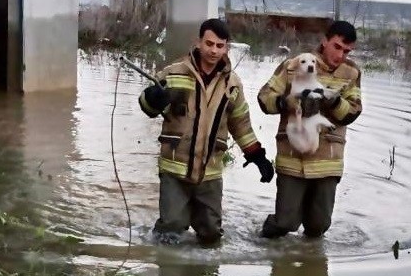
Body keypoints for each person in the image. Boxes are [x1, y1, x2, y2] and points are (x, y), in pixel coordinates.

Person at [139, 18, 274, 245]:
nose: (213, 50)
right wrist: (153, 98)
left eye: (219, 46)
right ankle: (167, 270)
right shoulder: (174, 73)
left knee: (211, 234)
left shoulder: (233, 85)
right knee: (169, 231)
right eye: (209, 44)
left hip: (210, 172)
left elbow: (241, 124)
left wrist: (257, 156)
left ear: (226, 48)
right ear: (198, 42)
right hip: (175, 169)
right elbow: (146, 106)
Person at [257, 20, 362, 239]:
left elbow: (352, 113)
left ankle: (307, 260)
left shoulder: (352, 73)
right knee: (286, 223)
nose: (340, 55)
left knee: (318, 227)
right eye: (337, 47)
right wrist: (286, 102)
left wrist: (331, 101)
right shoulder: (293, 64)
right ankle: (265, 243)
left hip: (327, 161)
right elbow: (264, 97)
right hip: (292, 158)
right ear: (325, 41)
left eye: (347, 50)